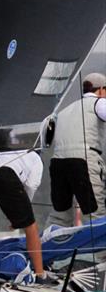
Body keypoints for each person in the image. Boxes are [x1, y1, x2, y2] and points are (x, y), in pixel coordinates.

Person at [0, 149, 55, 284]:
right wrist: (20, 218)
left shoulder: (9, 147)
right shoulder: (35, 158)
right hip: (5, 174)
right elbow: (30, 186)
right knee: (31, 227)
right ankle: (40, 274)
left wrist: (16, 217)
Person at [47, 72, 106, 226]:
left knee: (59, 216)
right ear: (101, 90)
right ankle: (97, 251)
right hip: (84, 161)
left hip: (57, 163)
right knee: (95, 215)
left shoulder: (64, 110)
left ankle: (50, 248)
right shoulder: (99, 103)